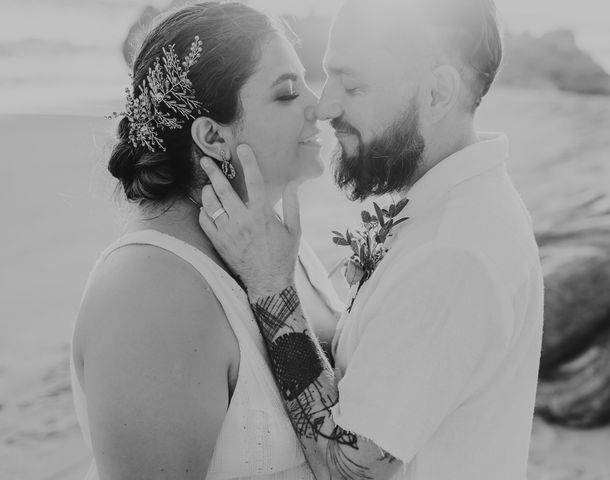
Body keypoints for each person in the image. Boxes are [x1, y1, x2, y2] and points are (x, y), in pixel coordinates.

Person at [198, 0, 544, 479]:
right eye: (328, 76)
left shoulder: (451, 254)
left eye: (352, 84)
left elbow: (347, 472)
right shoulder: (457, 209)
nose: (324, 106)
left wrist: (269, 282)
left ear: (438, 92)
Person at [70, 2, 343, 479]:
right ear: (213, 137)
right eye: (286, 93)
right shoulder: (147, 294)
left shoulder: (271, 247)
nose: (316, 106)